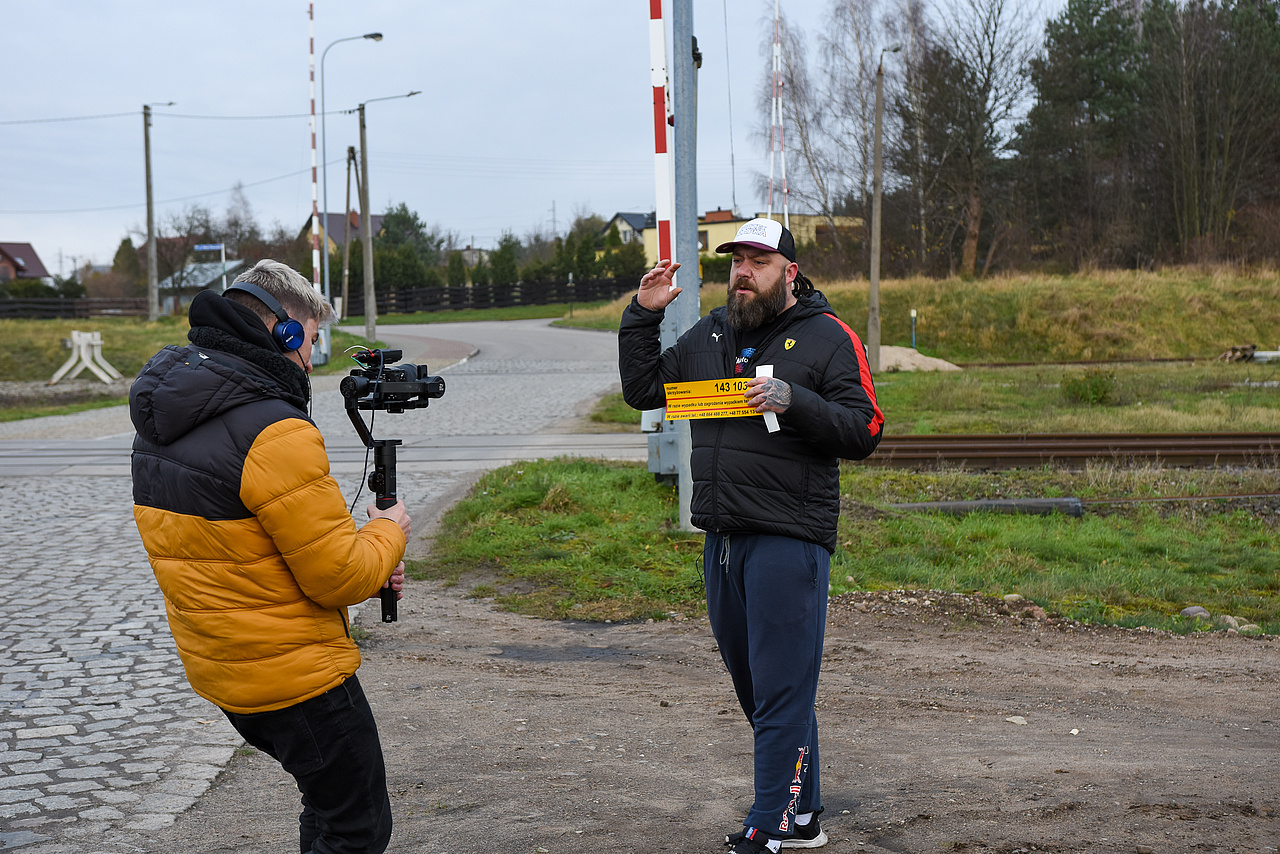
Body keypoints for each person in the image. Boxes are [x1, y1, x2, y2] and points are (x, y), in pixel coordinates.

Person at [618, 219, 883, 853]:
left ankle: (767, 829)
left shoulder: (828, 337)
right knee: (759, 686)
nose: (742, 271)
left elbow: (865, 430)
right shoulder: (711, 333)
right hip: (724, 538)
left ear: (789, 272)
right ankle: (804, 814)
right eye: (736, 260)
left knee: (781, 690)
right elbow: (643, 389)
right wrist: (641, 316)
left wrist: (795, 400)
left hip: (790, 538)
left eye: (758, 261)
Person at [130, 259, 409, 854]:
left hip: (224, 667)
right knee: (357, 825)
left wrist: (365, 547)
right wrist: (389, 533)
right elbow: (341, 577)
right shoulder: (274, 429)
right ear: (281, 333)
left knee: (328, 809)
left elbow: (242, 548)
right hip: (294, 676)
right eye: (309, 341)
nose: (310, 359)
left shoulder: (166, 414)